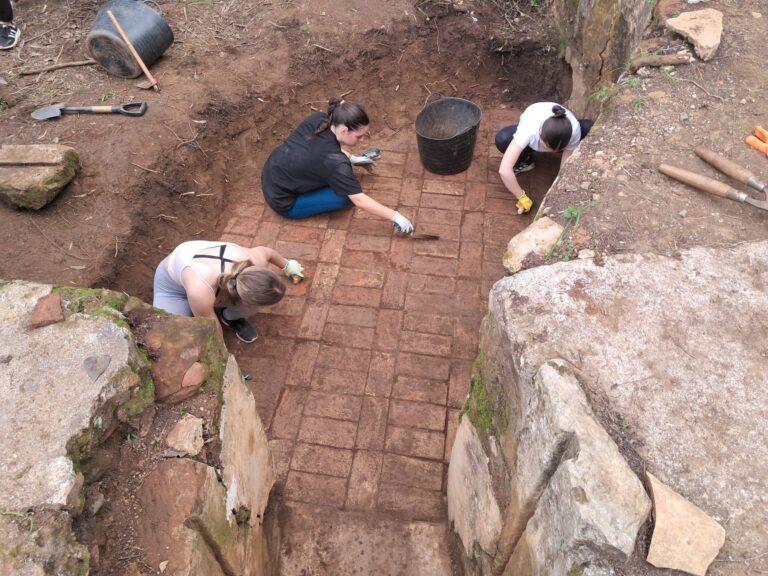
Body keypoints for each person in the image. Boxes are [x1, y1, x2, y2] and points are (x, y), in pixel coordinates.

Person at [261, 96, 414, 234]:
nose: (362, 141)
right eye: (359, 136)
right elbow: (359, 200)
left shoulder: (320, 119)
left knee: (337, 177)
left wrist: (353, 159)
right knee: (344, 197)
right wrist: (396, 216)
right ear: (344, 130)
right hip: (283, 202)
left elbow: (325, 147)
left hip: (270, 173)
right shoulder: (335, 163)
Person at [153, 240, 304, 343]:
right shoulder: (200, 290)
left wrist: (287, 264)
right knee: (167, 333)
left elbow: (268, 253)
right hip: (173, 288)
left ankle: (229, 318)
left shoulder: (256, 260)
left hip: (205, 286)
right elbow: (211, 326)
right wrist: (223, 358)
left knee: (251, 308)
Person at [496, 102, 593, 214]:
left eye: (555, 150)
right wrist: (521, 197)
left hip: (561, 137)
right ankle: (526, 161)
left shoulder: (574, 129)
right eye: (546, 146)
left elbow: (566, 161)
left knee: (587, 127)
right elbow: (504, 170)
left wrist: (560, 185)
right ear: (540, 132)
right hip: (531, 139)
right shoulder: (528, 129)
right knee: (503, 139)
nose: (549, 151)